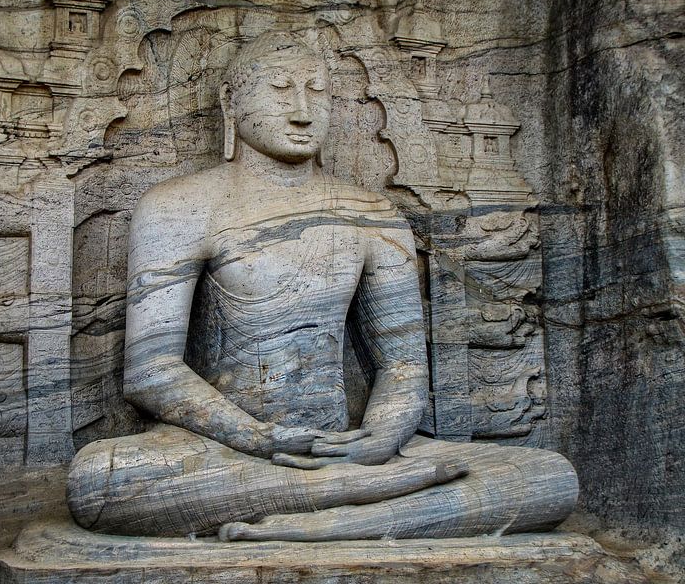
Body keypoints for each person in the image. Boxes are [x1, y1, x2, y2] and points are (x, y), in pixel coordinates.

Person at [67, 32, 578, 541]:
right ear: (231, 101)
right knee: (99, 481)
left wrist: (379, 439)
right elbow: (151, 372)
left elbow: (401, 366)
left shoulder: (371, 214)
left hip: (347, 446)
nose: (302, 111)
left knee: (547, 478)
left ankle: (330, 505)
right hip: (221, 449)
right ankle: (358, 498)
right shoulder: (179, 206)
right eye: (280, 90)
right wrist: (258, 438)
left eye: (317, 91)